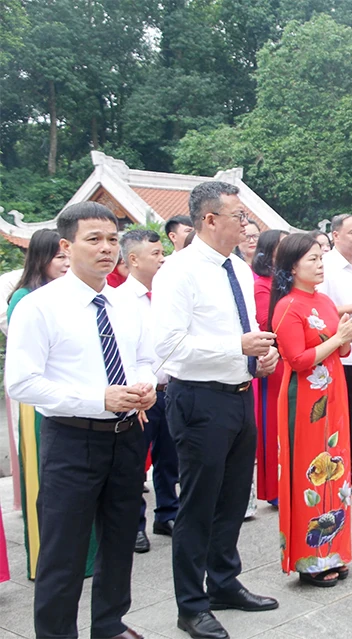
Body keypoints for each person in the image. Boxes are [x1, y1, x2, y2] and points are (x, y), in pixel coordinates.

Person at [6, 202, 157, 639]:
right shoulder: (40, 307)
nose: (106, 248)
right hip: (72, 438)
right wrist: (98, 398)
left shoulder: (126, 303)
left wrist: (144, 385)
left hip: (126, 435)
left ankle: (109, 624)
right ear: (67, 247)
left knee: (120, 537)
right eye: (94, 239)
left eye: (112, 239)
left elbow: (144, 359)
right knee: (64, 550)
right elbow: (22, 383)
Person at [153, 181, 281, 639]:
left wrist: (258, 357)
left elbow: (247, 330)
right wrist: (235, 347)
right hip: (198, 399)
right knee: (198, 504)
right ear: (210, 219)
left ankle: (224, 582)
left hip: (240, 392)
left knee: (231, 499)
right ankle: (191, 604)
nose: (246, 225)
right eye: (238, 216)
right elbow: (167, 347)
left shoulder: (239, 269)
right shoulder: (179, 271)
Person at [269, 233, 352, 587]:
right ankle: (309, 559)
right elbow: (296, 360)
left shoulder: (325, 301)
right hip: (304, 399)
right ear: (292, 267)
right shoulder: (287, 306)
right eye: (312, 259)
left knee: (336, 473)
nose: (319, 263)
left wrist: (347, 337)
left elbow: (339, 353)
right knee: (308, 472)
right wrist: (338, 339)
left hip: (334, 394)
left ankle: (335, 550)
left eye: (320, 257)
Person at [5, 229, 88, 581]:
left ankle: (86, 558)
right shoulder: (25, 298)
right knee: (46, 481)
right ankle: (46, 560)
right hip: (41, 402)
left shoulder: (77, 295)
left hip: (82, 399)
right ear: (41, 258)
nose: (66, 264)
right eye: (59, 258)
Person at [118, 229, 178, 554]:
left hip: (172, 388)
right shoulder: (120, 300)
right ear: (133, 259)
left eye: (161, 252)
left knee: (170, 457)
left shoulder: (169, 293)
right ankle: (134, 524)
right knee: (136, 461)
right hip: (140, 394)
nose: (162, 258)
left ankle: (167, 513)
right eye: (154, 254)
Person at [317, 214, 352, 487]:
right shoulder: (323, 267)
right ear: (335, 235)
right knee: (338, 414)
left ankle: (351, 465)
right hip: (336, 352)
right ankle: (333, 465)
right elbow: (318, 311)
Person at [252, 229, 289, 507]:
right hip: (274, 361)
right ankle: (276, 488)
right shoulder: (263, 284)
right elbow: (267, 322)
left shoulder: (286, 281)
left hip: (292, 358)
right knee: (274, 426)